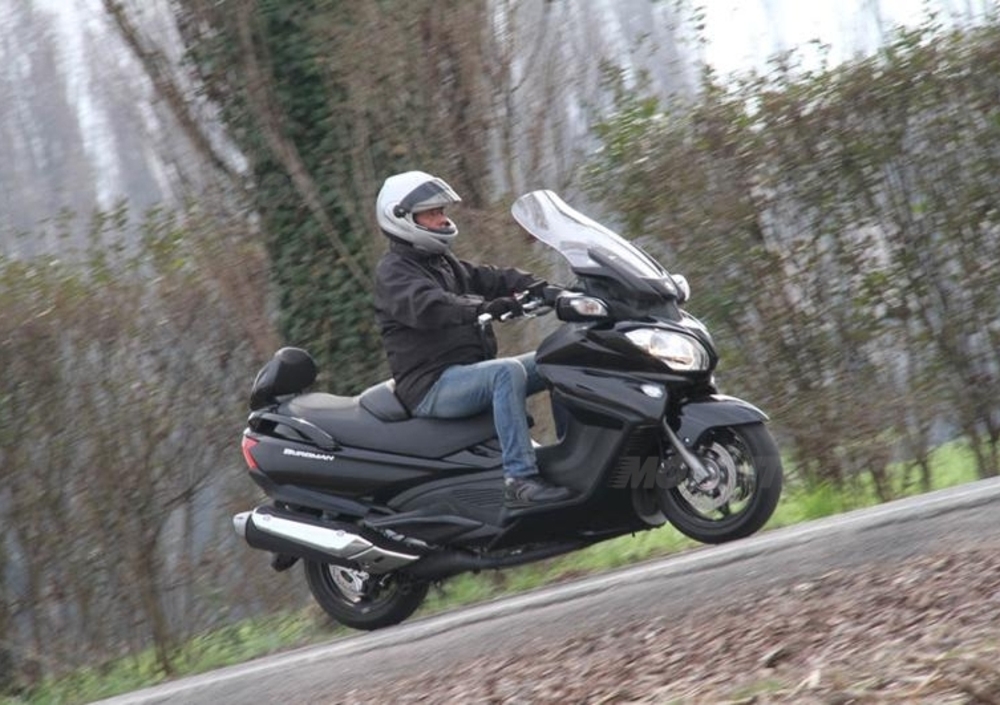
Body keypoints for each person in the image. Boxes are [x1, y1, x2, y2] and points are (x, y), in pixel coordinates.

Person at [373, 171, 574, 508]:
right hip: (431, 386)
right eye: (431, 213)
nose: (442, 219)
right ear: (401, 217)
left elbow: (490, 278)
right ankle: (520, 480)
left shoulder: (442, 263)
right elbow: (432, 306)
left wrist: (543, 288)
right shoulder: (394, 273)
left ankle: (572, 459)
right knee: (506, 373)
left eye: (441, 211)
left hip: (465, 374)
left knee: (559, 355)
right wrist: (484, 308)